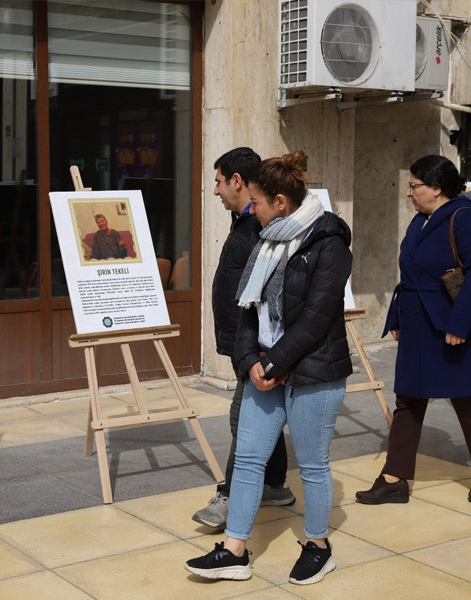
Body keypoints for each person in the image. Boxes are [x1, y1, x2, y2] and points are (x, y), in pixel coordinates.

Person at [186, 150, 353, 585]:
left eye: (256, 203)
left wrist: (276, 361)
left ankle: (318, 546)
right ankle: (235, 550)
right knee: (247, 459)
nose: (250, 210)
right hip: (265, 369)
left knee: (313, 464)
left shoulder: (329, 242)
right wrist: (249, 363)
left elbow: (318, 317)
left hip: (314, 371)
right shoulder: (265, 239)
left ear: (280, 201)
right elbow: (248, 312)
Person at [355, 155, 471, 506]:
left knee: (465, 397)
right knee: (409, 398)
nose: (409, 192)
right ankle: (394, 478)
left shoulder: (464, 218)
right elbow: (410, 278)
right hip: (418, 324)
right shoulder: (420, 221)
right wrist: (398, 319)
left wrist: (459, 324)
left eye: (414, 185)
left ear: (436, 188)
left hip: (451, 324)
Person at [191, 147, 295, 530]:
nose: (215, 191)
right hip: (241, 342)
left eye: (218, 181)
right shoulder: (244, 222)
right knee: (262, 412)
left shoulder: (260, 226)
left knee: (243, 417)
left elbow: (263, 294)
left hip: (253, 345)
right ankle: (274, 483)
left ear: (237, 180)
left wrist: (250, 349)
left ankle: (230, 497)